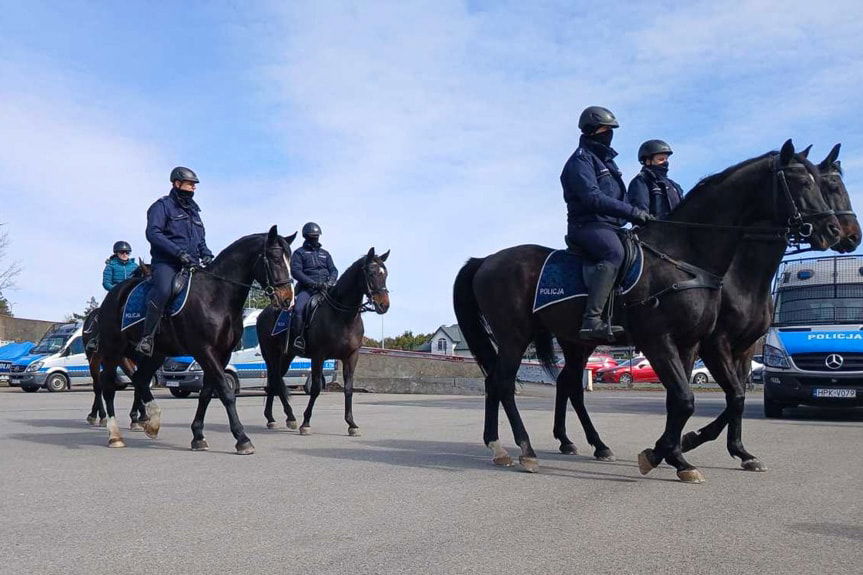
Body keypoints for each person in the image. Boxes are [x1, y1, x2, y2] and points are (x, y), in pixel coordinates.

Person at [561, 106, 653, 340]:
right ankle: (591, 320)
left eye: (611, 130)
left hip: (611, 225)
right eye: (605, 129)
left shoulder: (607, 163)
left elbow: (619, 198)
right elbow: (593, 198)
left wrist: (643, 214)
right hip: (587, 225)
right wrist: (633, 212)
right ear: (592, 131)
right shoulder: (580, 161)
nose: (609, 134)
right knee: (614, 253)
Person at [136, 166, 214, 356]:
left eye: (194, 186)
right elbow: (153, 233)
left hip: (192, 264)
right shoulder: (161, 206)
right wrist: (178, 253)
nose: (193, 189)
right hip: (167, 263)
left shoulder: (194, 212)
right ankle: (147, 337)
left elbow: (200, 239)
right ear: (177, 184)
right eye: (190, 185)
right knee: (164, 290)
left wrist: (206, 253)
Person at [290, 222, 338, 352]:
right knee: (299, 309)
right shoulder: (299, 253)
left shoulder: (325, 254)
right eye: (312, 237)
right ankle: (298, 339)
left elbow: (333, 270)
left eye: (316, 236)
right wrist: (312, 283)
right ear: (306, 237)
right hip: (308, 289)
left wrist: (331, 281)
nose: (315, 239)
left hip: (327, 289)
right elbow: (296, 272)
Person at [626, 139, 684, 220]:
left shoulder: (675, 186)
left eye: (666, 159)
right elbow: (641, 213)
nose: (665, 162)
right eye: (661, 159)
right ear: (648, 161)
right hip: (656, 230)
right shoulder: (641, 181)